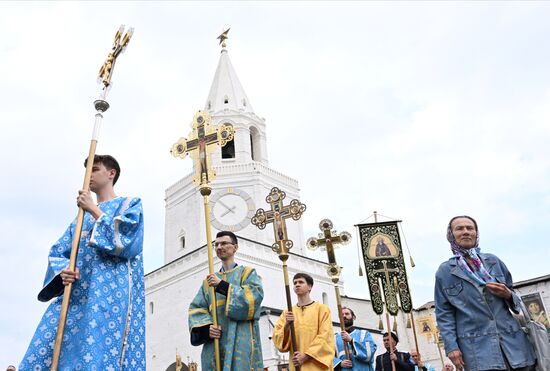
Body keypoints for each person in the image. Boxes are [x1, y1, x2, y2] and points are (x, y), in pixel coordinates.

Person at [19, 155, 145, 370]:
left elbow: (128, 242)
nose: (88, 176)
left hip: (109, 298)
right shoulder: (79, 220)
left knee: (97, 355)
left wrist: (95, 210)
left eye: (94, 169)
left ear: (111, 173)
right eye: (86, 171)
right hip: (76, 297)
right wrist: (63, 272)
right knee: (48, 349)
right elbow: (58, 252)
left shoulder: (129, 205)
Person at [434, 215, 536, 371]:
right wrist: (451, 347)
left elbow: (516, 300)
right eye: (459, 228)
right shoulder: (445, 271)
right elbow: (444, 314)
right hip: (477, 351)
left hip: (513, 345)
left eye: (470, 228)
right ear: (451, 235)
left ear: (476, 233)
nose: (466, 232)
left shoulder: (494, 262)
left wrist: (507, 294)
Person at [188, 231, 264, 370]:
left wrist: (222, 285)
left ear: (235, 247)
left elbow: (254, 298)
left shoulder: (247, 273)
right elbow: (196, 308)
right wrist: (207, 329)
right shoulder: (208, 282)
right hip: (215, 343)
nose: (219, 247)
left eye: (224, 243)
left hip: (240, 338)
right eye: (216, 244)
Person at [273, 273, 335, 370]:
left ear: (309, 287)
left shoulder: (322, 309)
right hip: (296, 364)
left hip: (316, 365)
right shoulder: (287, 312)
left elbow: (325, 336)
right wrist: (287, 325)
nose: (297, 284)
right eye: (295, 283)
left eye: (301, 282)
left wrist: (306, 356)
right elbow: (279, 340)